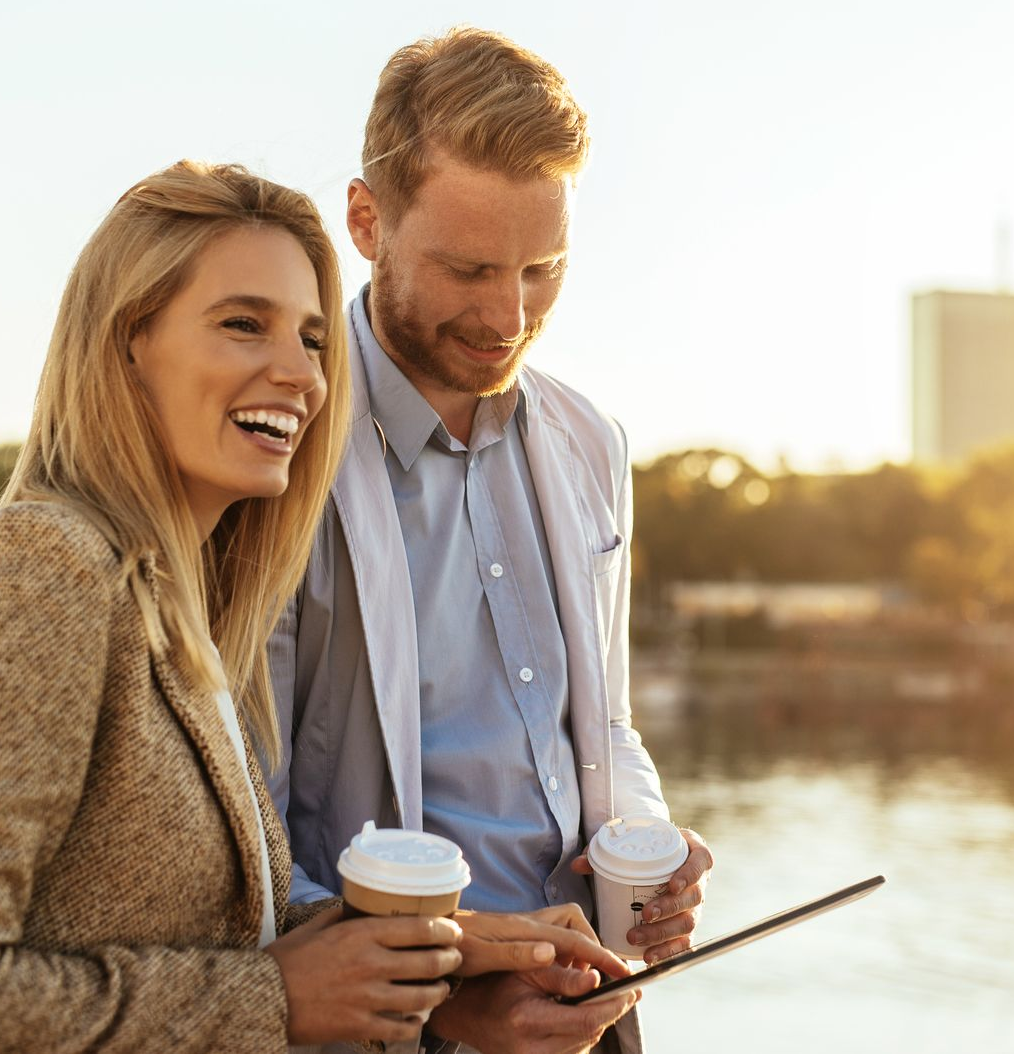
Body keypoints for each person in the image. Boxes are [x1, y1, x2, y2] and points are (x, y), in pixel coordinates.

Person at [0, 161, 617, 1054]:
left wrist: (446, 979)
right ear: (127, 340)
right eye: (244, 325)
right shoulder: (42, 568)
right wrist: (272, 1000)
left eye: (314, 339)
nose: (300, 374)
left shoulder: (183, 608)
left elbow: (215, 934)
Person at [269, 29, 714, 1054]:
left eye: (542, 270)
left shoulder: (591, 442)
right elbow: (248, 824)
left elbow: (599, 727)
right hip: (387, 1028)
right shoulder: (280, 449)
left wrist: (645, 856)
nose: (509, 316)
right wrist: (450, 992)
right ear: (367, 221)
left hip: (593, 1019)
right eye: (470, 268)